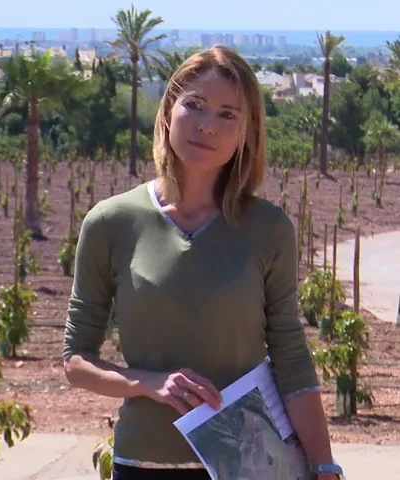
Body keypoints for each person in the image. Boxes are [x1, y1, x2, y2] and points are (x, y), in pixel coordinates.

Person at [62, 45, 343, 480]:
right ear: (168, 111)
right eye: (194, 105)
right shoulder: (111, 222)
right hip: (143, 464)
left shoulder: (268, 229)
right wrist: (149, 383)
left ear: (245, 134)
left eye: (227, 115)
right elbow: (76, 362)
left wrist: (324, 464)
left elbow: (291, 357)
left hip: (249, 468)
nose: (207, 126)